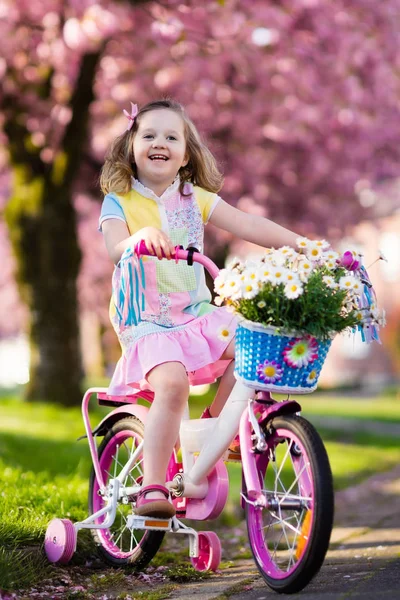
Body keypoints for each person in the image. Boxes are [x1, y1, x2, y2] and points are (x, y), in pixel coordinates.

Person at [99, 99, 299, 518]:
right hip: (147, 321)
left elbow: (250, 224)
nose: (160, 143)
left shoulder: (196, 198)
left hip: (196, 313)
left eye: (172, 137)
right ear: (131, 145)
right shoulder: (118, 202)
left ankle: (211, 432)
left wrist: (302, 245)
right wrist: (139, 239)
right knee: (171, 384)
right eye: (149, 134)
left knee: (253, 351)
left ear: (186, 154)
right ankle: (153, 485)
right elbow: (115, 245)